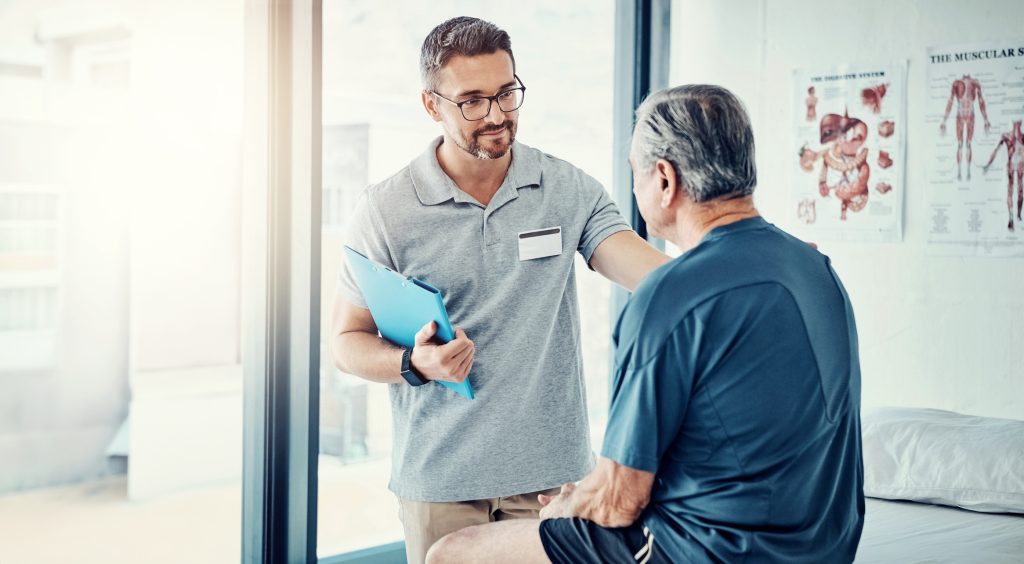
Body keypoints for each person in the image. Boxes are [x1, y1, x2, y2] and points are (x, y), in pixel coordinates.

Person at [426, 84, 865, 563]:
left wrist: (565, 508)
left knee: (453, 552)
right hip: (822, 548)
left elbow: (619, 501)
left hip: (708, 552)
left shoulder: (672, 294)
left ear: (664, 179)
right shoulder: (816, 269)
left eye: (634, 173)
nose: (633, 189)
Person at [330, 17, 669, 564]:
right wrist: (416, 364)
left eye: (507, 93)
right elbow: (347, 341)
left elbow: (650, 271)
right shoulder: (386, 209)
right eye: (472, 100)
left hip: (551, 485)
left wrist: (740, 263)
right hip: (440, 482)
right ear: (430, 104)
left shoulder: (566, 189)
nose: (496, 114)